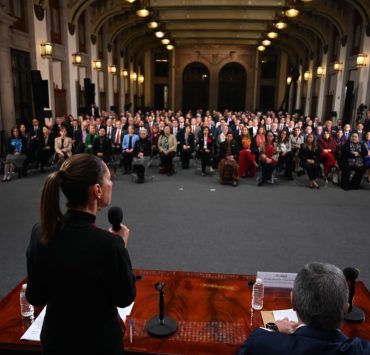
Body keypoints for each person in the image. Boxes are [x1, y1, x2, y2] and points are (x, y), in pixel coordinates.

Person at [26, 154, 136, 355]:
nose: (112, 183)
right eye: (109, 178)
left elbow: (35, 296)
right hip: (98, 346)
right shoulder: (109, 244)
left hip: (55, 344)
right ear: (97, 190)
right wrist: (120, 246)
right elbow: (124, 297)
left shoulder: (40, 232)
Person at [237, 262, 370, 355]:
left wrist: (274, 327)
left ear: (293, 302)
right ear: (346, 308)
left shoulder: (261, 343)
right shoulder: (362, 350)